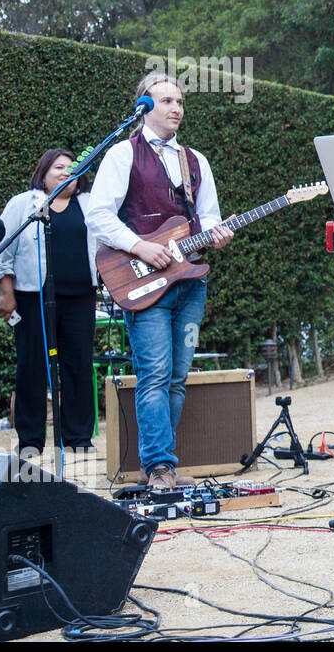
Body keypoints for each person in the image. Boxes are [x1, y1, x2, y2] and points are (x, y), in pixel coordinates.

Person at [86, 73, 234, 490]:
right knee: (154, 374)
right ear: (144, 107)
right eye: (166, 100)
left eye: (180, 101)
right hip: (143, 282)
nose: (176, 108)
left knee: (176, 377)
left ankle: (163, 464)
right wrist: (140, 247)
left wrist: (218, 233)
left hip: (190, 282)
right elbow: (98, 215)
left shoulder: (195, 161)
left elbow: (210, 218)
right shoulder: (121, 155)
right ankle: (159, 468)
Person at [0, 149, 100, 455]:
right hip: (33, 298)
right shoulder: (23, 204)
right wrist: (7, 293)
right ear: (43, 173)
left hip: (81, 298)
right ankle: (30, 441)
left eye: (72, 168)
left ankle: (78, 439)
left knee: (79, 366)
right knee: (32, 368)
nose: (66, 172)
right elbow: (1, 250)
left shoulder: (89, 204)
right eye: (59, 167)